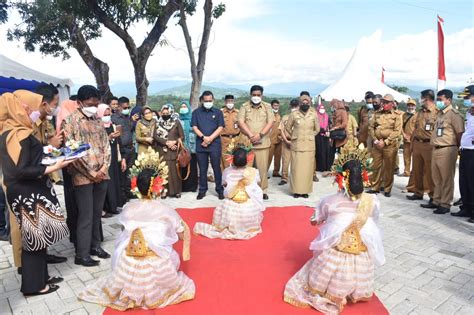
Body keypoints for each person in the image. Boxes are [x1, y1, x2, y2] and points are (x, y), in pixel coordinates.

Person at [78, 148, 194, 310]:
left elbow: (123, 231)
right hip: (156, 262)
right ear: (158, 187)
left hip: (129, 262)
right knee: (172, 257)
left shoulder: (128, 208)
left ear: (137, 186)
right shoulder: (165, 210)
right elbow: (181, 235)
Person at [283, 145, 385, 314]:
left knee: (328, 253)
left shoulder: (330, 201)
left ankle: (330, 289)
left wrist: (321, 221)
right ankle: (355, 291)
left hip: (336, 250)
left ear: (340, 178)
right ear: (364, 176)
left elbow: (316, 220)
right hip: (360, 250)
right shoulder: (372, 200)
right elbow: (374, 220)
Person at [0, 90, 71, 296]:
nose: (29, 110)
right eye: (25, 106)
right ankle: (34, 286)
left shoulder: (11, 132)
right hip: (27, 192)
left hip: (25, 191)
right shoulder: (19, 135)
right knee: (33, 242)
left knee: (37, 241)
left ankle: (42, 279)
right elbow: (19, 170)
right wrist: (53, 166)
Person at [62, 85, 111, 267]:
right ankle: (81, 254)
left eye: (96, 104)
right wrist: (91, 173)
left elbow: (106, 145)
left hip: (102, 175)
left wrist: (104, 168)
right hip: (83, 176)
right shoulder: (70, 122)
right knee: (85, 215)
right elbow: (72, 152)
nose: (93, 107)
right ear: (79, 103)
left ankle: (95, 246)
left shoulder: (98, 119)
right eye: (90, 104)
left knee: (97, 213)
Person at [194, 147, 265, 239]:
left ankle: (230, 225)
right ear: (247, 160)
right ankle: (247, 226)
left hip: (231, 203)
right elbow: (258, 182)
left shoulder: (228, 171)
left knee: (225, 206)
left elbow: (224, 183)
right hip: (248, 205)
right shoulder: (253, 171)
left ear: (232, 159)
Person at [421, 89, 464, 214]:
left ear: (449, 100)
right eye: (437, 100)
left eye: (440, 100)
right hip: (435, 148)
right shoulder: (440, 114)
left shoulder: (454, 115)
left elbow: (460, 133)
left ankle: (445, 204)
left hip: (447, 149)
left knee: (446, 179)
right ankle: (436, 200)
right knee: (436, 178)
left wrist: (459, 149)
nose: (438, 102)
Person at [238, 85, 275, 200]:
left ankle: (262, 190)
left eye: (258, 95)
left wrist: (260, 135)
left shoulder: (267, 107)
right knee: (246, 169)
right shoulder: (244, 106)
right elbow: (240, 122)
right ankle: (246, 190)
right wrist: (251, 135)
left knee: (262, 169)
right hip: (247, 143)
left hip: (262, 143)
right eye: (254, 95)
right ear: (250, 95)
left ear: (262, 95)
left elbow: (270, 122)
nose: (256, 97)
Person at [191, 91, 225, 200]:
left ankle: (219, 190)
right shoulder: (196, 112)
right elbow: (194, 127)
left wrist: (210, 138)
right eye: (206, 101)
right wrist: (203, 138)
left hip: (214, 144)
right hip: (201, 144)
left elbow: (220, 127)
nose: (208, 102)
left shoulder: (218, 112)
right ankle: (202, 190)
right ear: (202, 100)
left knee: (216, 168)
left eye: (210, 101)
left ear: (213, 100)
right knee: (202, 168)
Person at [367, 94, 402, 197]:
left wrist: (385, 142)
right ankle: (375, 187)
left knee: (389, 168)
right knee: (375, 166)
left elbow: (397, 131)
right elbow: (371, 127)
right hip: (377, 145)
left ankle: (387, 189)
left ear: (392, 103)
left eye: (387, 102)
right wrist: (375, 140)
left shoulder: (397, 115)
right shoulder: (377, 114)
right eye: (383, 102)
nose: (384, 104)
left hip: (390, 145)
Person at [286, 95, 320, 198]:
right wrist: (295, 136)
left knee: (307, 170)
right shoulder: (294, 114)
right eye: (303, 103)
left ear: (310, 103)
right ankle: (296, 191)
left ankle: (305, 191)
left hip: (309, 146)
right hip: (297, 145)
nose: (305, 104)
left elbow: (317, 129)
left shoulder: (313, 115)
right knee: (296, 169)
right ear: (299, 103)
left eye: (307, 103)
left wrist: (310, 136)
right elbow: (288, 127)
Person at [55, 99, 79, 244]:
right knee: (74, 202)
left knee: (74, 203)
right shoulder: (65, 122)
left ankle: (76, 234)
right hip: (71, 166)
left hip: (73, 165)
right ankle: (75, 235)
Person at [406, 90, 438, 202]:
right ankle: (418, 192)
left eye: (421, 97)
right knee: (416, 170)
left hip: (429, 145)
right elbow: (415, 128)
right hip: (417, 143)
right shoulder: (420, 112)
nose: (420, 99)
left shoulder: (437, 112)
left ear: (427, 98)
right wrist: (412, 144)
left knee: (430, 172)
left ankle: (433, 196)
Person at [97, 104, 125, 217]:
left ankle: (113, 206)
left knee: (114, 182)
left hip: (113, 158)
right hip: (103, 159)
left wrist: (123, 158)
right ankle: (104, 208)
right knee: (105, 184)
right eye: (105, 115)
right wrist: (108, 138)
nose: (107, 117)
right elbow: (97, 145)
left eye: (109, 115)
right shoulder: (97, 128)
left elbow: (119, 143)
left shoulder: (112, 126)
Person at [452, 85, 474, 223]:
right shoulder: (469, 112)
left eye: (467, 97)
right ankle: (466, 207)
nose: (466, 100)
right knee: (464, 181)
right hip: (465, 150)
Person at [33, 84, 63, 185]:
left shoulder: (44, 122)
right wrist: (49, 146)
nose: (57, 108)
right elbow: (27, 153)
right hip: (29, 178)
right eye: (55, 104)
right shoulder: (29, 123)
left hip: (42, 174)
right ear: (45, 104)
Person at [154, 104, 185, 198]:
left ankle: (177, 191)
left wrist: (174, 142)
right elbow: (155, 136)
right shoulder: (158, 124)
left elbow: (182, 136)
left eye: (167, 113)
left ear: (170, 113)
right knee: (164, 172)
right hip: (162, 151)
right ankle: (164, 191)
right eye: (163, 113)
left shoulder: (176, 123)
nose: (165, 114)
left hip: (174, 151)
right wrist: (166, 143)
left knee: (175, 172)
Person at [112, 97, 135, 203]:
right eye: (125, 107)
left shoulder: (128, 117)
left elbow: (130, 130)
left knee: (129, 172)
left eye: (128, 107)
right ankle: (121, 195)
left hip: (130, 148)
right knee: (122, 172)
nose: (127, 109)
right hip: (122, 149)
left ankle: (128, 191)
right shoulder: (114, 118)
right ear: (119, 107)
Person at [178, 101, 198, 192]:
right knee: (182, 166)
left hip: (192, 147)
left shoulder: (193, 119)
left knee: (192, 167)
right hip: (182, 148)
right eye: (182, 106)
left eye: (185, 106)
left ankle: (192, 187)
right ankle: (183, 187)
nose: (183, 108)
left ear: (188, 108)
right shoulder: (178, 120)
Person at [278, 99, 299, 186]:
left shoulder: (300, 118)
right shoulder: (285, 117)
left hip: (297, 143)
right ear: (290, 106)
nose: (294, 108)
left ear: (298, 107)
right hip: (286, 141)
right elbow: (281, 130)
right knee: (285, 161)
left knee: (297, 162)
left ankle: (296, 178)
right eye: (293, 106)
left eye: (296, 106)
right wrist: (286, 140)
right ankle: (284, 178)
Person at [220, 95, 241, 169]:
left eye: (231, 101)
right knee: (225, 160)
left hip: (236, 139)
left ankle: (235, 178)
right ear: (225, 102)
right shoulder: (220, 112)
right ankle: (225, 178)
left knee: (237, 159)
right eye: (228, 101)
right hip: (224, 139)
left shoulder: (238, 112)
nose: (230, 103)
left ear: (234, 102)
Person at [400, 99, 417, 177]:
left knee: (415, 157)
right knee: (406, 157)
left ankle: (414, 172)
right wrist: (403, 134)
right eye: (409, 105)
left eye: (412, 105)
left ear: (415, 106)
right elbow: (401, 126)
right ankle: (406, 172)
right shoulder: (404, 115)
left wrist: (413, 136)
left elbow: (418, 127)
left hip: (415, 140)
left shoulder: (417, 115)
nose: (411, 107)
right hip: (406, 139)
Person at [268, 99, 282, 177]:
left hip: (279, 140)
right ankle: (264, 173)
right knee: (268, 158)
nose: (276, 107)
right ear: (272, 106)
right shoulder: (269, 115)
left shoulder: (279, 116)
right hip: (270, 140)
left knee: (278, 157)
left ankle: (276, 172)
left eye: (277, 106)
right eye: (275, 105)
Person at [316, 103, 331, 173]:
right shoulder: (316, 116)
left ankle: (326, 167)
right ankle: (320, 167)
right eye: (321, 108)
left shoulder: (327, 116)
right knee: (320, 151)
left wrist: (328, 132)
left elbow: (329, 125)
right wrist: (322, 130)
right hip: (318, 136)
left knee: (326, 151)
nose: (322, 110)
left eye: (323, 108)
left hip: (326, 136)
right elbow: (315, 126)